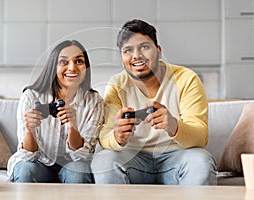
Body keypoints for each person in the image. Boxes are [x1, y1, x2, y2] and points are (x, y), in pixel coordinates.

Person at [91, 19, 217, 185]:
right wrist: (116, 136)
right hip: (133, 160)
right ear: (122, 57)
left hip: (177, 156)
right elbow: (104, 136)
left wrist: (174, 126)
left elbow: (200, 138)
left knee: (201, 160)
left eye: (144, 47)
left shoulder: (186, 79)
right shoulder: (117, 85)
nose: (136, 55)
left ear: (158, 50)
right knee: (103, 161)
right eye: (128, 50)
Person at [7, 40, 104, 183]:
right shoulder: (31, 97)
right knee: (26, 169)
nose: (72, 68)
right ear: (54, 67)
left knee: (79, 171)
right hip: (38, 162)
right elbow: (27, 156)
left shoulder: (94, 101)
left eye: (79, 61)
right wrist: (30, 130)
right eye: (64, 62)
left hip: (72, 164)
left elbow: (83, 156)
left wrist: (73, 127)